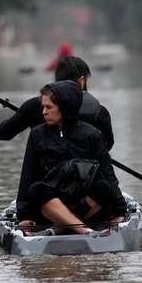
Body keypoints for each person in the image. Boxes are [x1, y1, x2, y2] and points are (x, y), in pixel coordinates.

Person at [16, 81, 127, 235]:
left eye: (49, 107)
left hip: (84, 202)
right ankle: (83, 230)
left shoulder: (91, 134)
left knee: (103, 187)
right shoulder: (37, 135)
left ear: (64, 107)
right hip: (52, 202)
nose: (43, 112)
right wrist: (24, 216)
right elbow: (28, 175)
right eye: (43, 107)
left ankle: (60, 227)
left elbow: (108, 173)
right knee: (36, 189)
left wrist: (120, 212)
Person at [0, 56, 115, 150]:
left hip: (47, 177)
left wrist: (22, 115)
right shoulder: (100, 112)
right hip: (87, 176)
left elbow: (3, 134)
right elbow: (107, 145)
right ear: (82, 81)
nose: (46, 110)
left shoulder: (33, 107)